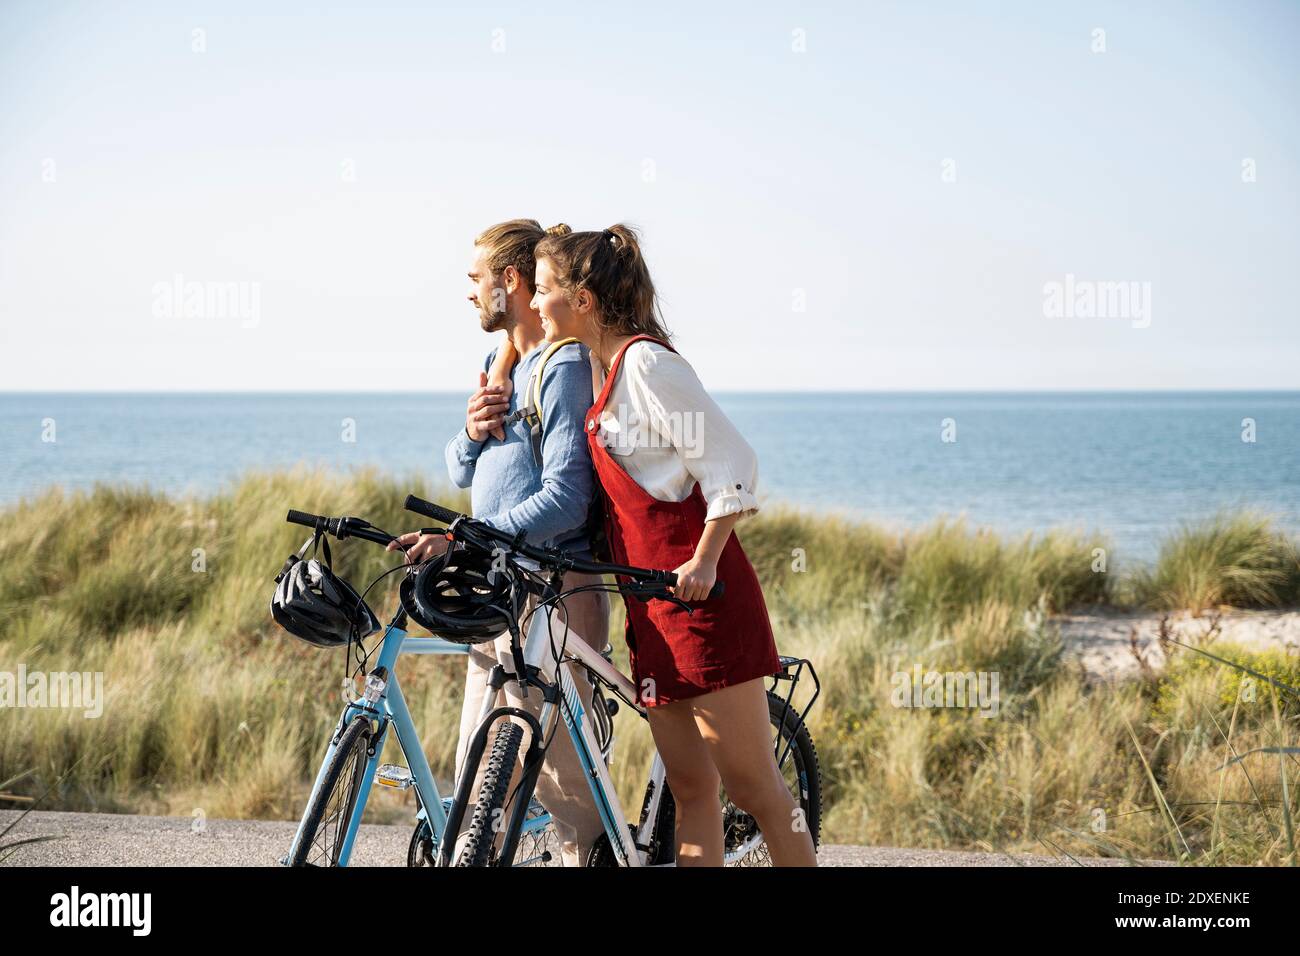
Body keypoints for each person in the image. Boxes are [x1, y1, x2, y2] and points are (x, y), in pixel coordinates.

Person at [491, 223, 817, 866]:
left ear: (583, 300)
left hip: (706, 605)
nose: (536, 302)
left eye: (548, 288)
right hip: (652, 611)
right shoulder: (596, 363)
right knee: (693, 792)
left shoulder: (647, 364)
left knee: (758, 793)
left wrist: (703, 558)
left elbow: (736, 465)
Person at [388, 219, 608, 867]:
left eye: (475, 278)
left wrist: (469, 538)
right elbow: (462, 471)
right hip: (496, 587)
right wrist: (471, 429)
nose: (469, 293)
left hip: (551, 600)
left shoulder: (564, 368)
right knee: (479, 775)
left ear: (509, 281)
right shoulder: (497, 362)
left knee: (570, 797)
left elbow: (568, 498)